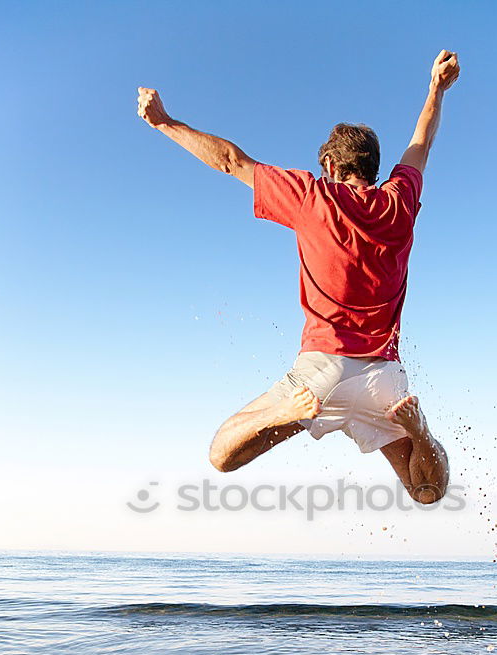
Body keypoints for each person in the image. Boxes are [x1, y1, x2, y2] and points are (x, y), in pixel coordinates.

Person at [137, 49, 459, 504]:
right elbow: (421, 144)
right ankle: (419, 430)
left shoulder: (314, 197)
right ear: (373, 167)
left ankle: (285, 411)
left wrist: (165, 122)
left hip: (321, 373)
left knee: (221, 454)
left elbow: (231, 160)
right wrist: (435, 90)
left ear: (330, 167)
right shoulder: (400, 201)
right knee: (429, 491)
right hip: (383, 379)